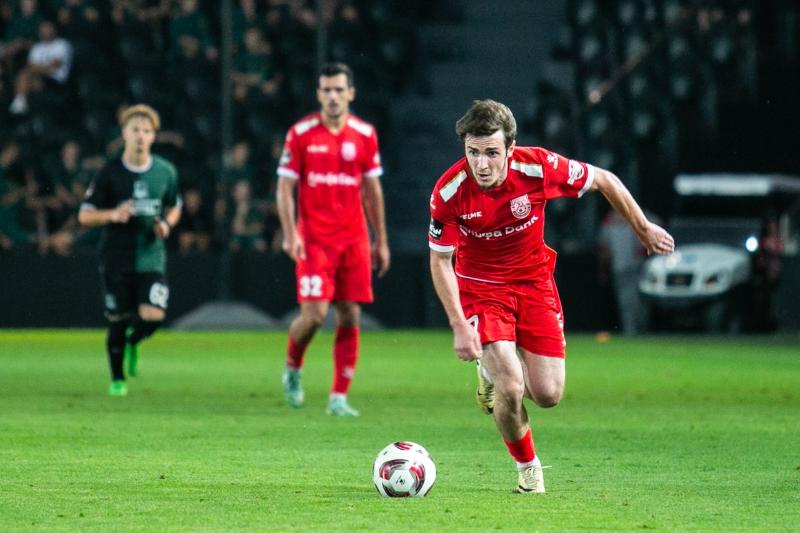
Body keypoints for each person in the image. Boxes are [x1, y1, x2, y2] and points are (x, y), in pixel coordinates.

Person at [427, 100, 674, 493]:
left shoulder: (538, 167)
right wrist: (458, 324)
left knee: (547, 394)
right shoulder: (449, 190)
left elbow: (604, 179)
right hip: (481, 289)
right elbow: (440, 260)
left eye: (491, 153)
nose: (481, 164)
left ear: (510, 148)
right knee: (511, 387)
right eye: (473, 152)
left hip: (533, 284)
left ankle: (490, 369)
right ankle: (528, 469)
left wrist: (642, 228)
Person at [276, 62, 389, 416]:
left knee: (350, 313)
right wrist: (290, 234)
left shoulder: (365, 134)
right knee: (314, 315)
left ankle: (338, 397)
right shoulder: (301, 134)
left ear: (351, 93)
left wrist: (381, 240)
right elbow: (284, 187)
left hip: (354, 239)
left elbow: (372, 190)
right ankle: (293, 367)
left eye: (339, 89)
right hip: (314, 240)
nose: (333, 96)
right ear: (318, 94)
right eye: (326, 90)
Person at [78, 104, 182, 397]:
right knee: (118, 318)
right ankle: (117, 379)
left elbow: (175, 205)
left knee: (154, 316)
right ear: (124, 134)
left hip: (151, 256)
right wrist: (112, 214)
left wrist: (166, 225)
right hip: (116, 257)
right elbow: (84, 215)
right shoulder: (109, 173)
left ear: (153, 136)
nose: (140, 136)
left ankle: (133, 342)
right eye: (135, 129)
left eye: (146, 131)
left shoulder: (165, 171)